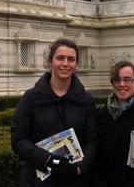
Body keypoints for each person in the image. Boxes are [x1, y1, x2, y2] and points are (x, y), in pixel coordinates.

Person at [11, 38, 98, 187]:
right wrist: (47, 159)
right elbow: (18, 138)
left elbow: (92, 140)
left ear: (76, 63)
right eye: (60, 58)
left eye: (71, 59)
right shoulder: (31, 98)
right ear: (50, 62)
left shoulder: (86, 100)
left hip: (75, 180)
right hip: (37, 181)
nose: (65, 64)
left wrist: (78, 168)